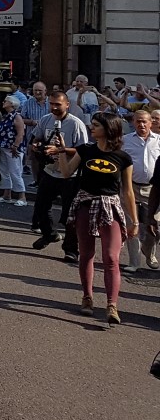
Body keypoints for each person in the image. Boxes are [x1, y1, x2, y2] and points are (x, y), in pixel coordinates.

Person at [49, 111, 138, 326]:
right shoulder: (85, 150)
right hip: (85, 204)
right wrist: (62, 151)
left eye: (96, 125)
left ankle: (112, 305)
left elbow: (127, 192)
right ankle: (87, 297)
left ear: (108, 129)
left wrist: (134, 221)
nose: (92, 127)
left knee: (111, 257)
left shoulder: (123, 158)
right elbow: (67, 172)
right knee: (86, 253)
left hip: (110, 206)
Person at [29, 91, 89, 262]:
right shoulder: (46, 119)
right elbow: (36, 137)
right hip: (49, 170)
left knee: (70, 215)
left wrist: (61, 150)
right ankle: (50, 234)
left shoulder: (76, 124)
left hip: (70, 174)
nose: (54, 107)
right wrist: (36, 145)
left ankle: (71, 249)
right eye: (52, 104)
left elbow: (83, 150)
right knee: (40, 207)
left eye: (58, 104)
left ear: (67, 105)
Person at [122, 110, 158, 272]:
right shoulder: (125, 141)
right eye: (138, 121)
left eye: (145, 121)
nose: (141, 125)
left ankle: (149, 251)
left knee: (156, 226)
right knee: (132, 224)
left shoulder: (159, 141)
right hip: (130, 187)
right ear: (133, 122)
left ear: (151, 123)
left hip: (153, 189)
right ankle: (134, 262)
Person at [0, 94, 28, 206]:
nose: (3, 102)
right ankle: (7, 194)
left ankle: (22, 196)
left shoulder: (17, 117)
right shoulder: (6, 116)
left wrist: (15, 146)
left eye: (6, 101)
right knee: (4, 171)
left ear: (12, 104)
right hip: (3, 146)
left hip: (13, 148)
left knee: (15, 171)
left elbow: (20, 133)